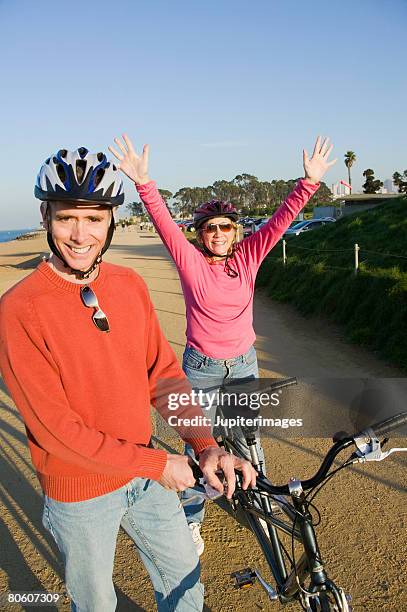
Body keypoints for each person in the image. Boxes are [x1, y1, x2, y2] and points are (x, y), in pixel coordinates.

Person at [0, 146, 257, 611]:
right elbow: (56, 430)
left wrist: (204, 443)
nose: (81, 234)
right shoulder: (20, 309)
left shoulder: (128, 284)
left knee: (186, 587)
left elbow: (163, 375)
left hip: (144, 472)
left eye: (94, 219)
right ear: (45, 216)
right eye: (66, 218)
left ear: (111, 221)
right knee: (96, 604)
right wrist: (159, 466)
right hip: (81, 491)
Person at [109, 134, 337, 555]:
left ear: (235, 231)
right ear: (200, 234)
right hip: (202, 367)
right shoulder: (191, 261)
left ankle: (262, 496)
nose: (218, 233)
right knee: (198, 446)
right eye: (210, 228)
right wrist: (144, 182)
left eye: (225, 227)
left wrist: (309, 183)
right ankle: (191, 521)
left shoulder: (248, 257)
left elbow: (280, 222)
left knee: (250, 436)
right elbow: (161, 220)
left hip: (244, 363)